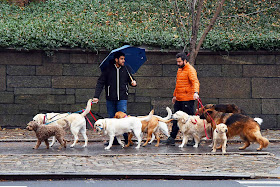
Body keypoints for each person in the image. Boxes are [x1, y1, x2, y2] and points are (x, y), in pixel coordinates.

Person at [93, 51, 137, 145]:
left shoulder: (126, 69)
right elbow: (100, 82)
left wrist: (133, 83)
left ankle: (127, 139)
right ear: (116, 59)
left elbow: (131, 81)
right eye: (121, 59)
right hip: (110, 98)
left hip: (122, 98)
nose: (123, 61)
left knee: (124, 120)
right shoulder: (107, 69)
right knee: (112, 120)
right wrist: (96, 96)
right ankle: (114, 140)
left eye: (124, 59)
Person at [163, 52, 200, 146]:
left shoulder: (190, 70)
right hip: (179, 99)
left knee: (190, 120)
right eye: (177, 61)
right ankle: (172, 138)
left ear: (184, 60)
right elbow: (178, 84)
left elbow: (195, 82)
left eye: (179, 62)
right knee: (176, 119)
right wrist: (175, 95)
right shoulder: (179, 70)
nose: (178, 63)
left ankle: (194, 139)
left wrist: (196, 92)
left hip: (188, 99)